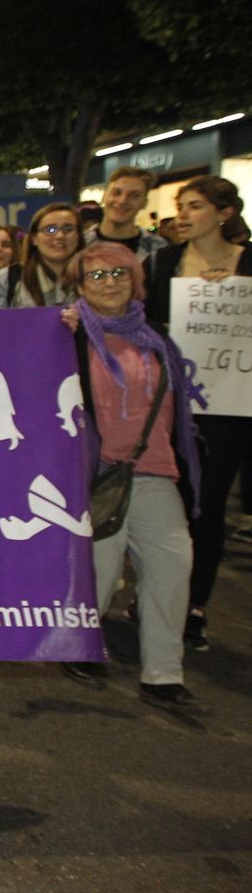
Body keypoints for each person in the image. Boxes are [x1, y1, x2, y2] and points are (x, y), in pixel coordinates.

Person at [60, 242, 202, 708]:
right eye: (97, 276)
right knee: (99, 575)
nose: (110, 282)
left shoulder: (158, 338)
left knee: (172, 567)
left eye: (120, 272)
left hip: (153, 470)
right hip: (94, 475)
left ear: (135, 279)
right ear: (80, 286)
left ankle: (163, 673)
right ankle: (80, 643)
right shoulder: (68, 336)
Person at [142, 175, 252, 651]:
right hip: (167, 404)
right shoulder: (163, 263)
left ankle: (195, 605)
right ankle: (157, 596)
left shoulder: (249, 264)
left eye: (195, 206)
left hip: (230, 408)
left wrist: (236, 292)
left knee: (207, 506)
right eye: (181, 206)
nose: (183, 215)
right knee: (168, 505)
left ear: (224, 213)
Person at [0, 203, 81, 309]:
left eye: (68, 229)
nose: (60, 236)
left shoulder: (90, 277)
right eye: (50, 230)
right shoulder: (4, 280)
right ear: (34, 238)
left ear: (79, 237)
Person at [85, 166, 167, 258]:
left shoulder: (159, 249)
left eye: (134, 196)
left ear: (144, 203)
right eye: (116, 193)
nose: (122, 201)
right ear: (104, 196)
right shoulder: (80, 244)